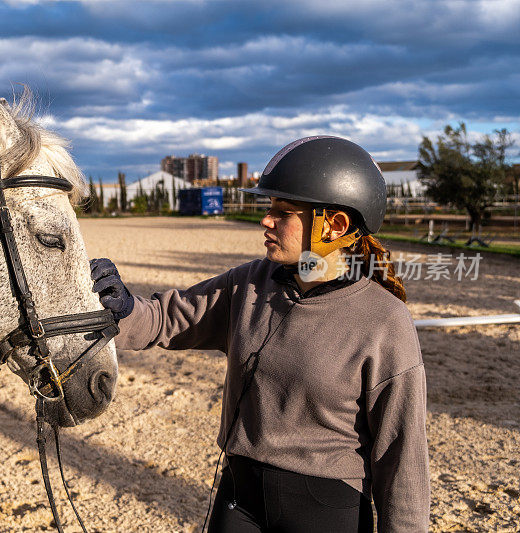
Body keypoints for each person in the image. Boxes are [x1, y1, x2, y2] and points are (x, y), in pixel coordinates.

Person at [90, 136, 430, 532]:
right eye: (268, 209)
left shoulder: (384, 320)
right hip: (240, 499)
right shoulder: (248, 283)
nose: (266, 221)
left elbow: (402, 456)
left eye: (283, 212)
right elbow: (166, 319)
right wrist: (125, 308)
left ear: (335, 225)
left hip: (324, 509)